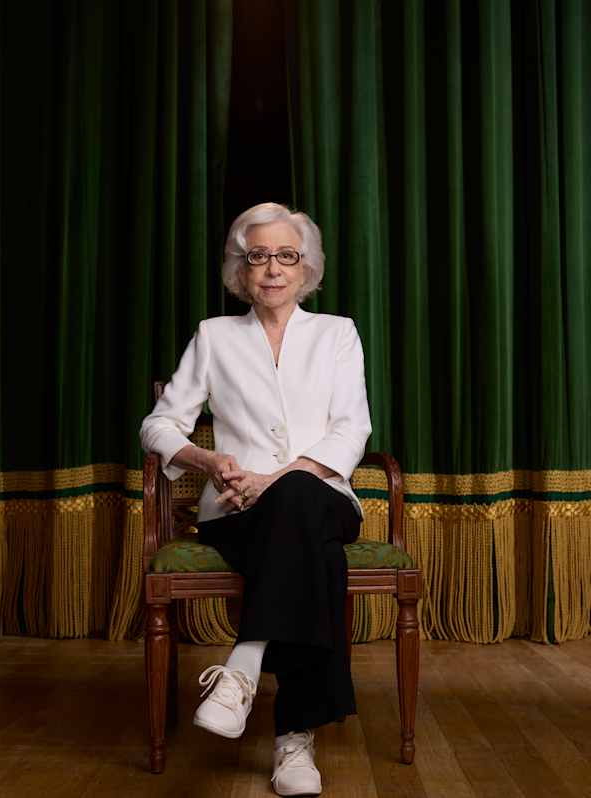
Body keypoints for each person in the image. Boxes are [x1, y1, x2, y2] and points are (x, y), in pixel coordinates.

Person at [140, 202, 371, 796]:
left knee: (299, 497)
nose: (272, 268)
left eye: (286, 255)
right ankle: (295, 740)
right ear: (240, 269)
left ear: (306, 267)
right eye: (258, 255)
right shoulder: (214, 336)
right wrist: (208, 461)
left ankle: (242, 666)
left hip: (325, 495)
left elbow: (353, 428)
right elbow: (159, 426)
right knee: (319, 557)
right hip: (237, 510)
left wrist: (280, 478)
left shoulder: (337, 333)